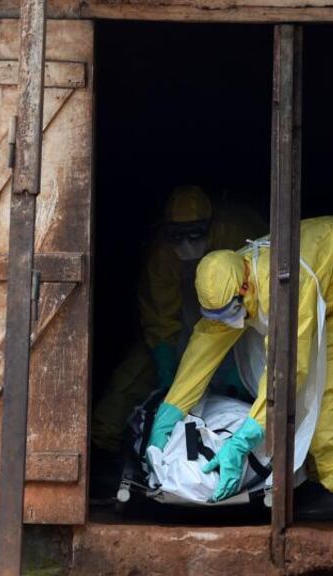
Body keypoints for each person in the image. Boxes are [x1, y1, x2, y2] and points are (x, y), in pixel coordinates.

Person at [147, 216, 333, 520]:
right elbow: (202, 351)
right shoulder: (227, 283)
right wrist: (170, 412)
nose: (228, 320)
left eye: (232, 311)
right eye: (214, 314)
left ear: (246, 286)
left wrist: (245, 438)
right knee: (311, 381)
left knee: (328, 383)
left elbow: (286, 369)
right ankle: (318, 476)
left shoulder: (284, 286)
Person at [90, 186, 266, 480]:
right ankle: (101, 451)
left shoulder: (239, 230)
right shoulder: (162, 253)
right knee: (135, 375)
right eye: (177, 235)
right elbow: (160, 312)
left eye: (195, 233)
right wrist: (164, 358)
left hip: (243, 313)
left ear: (212, 225)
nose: (185, 242)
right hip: (189, 316)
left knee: (255, 374)